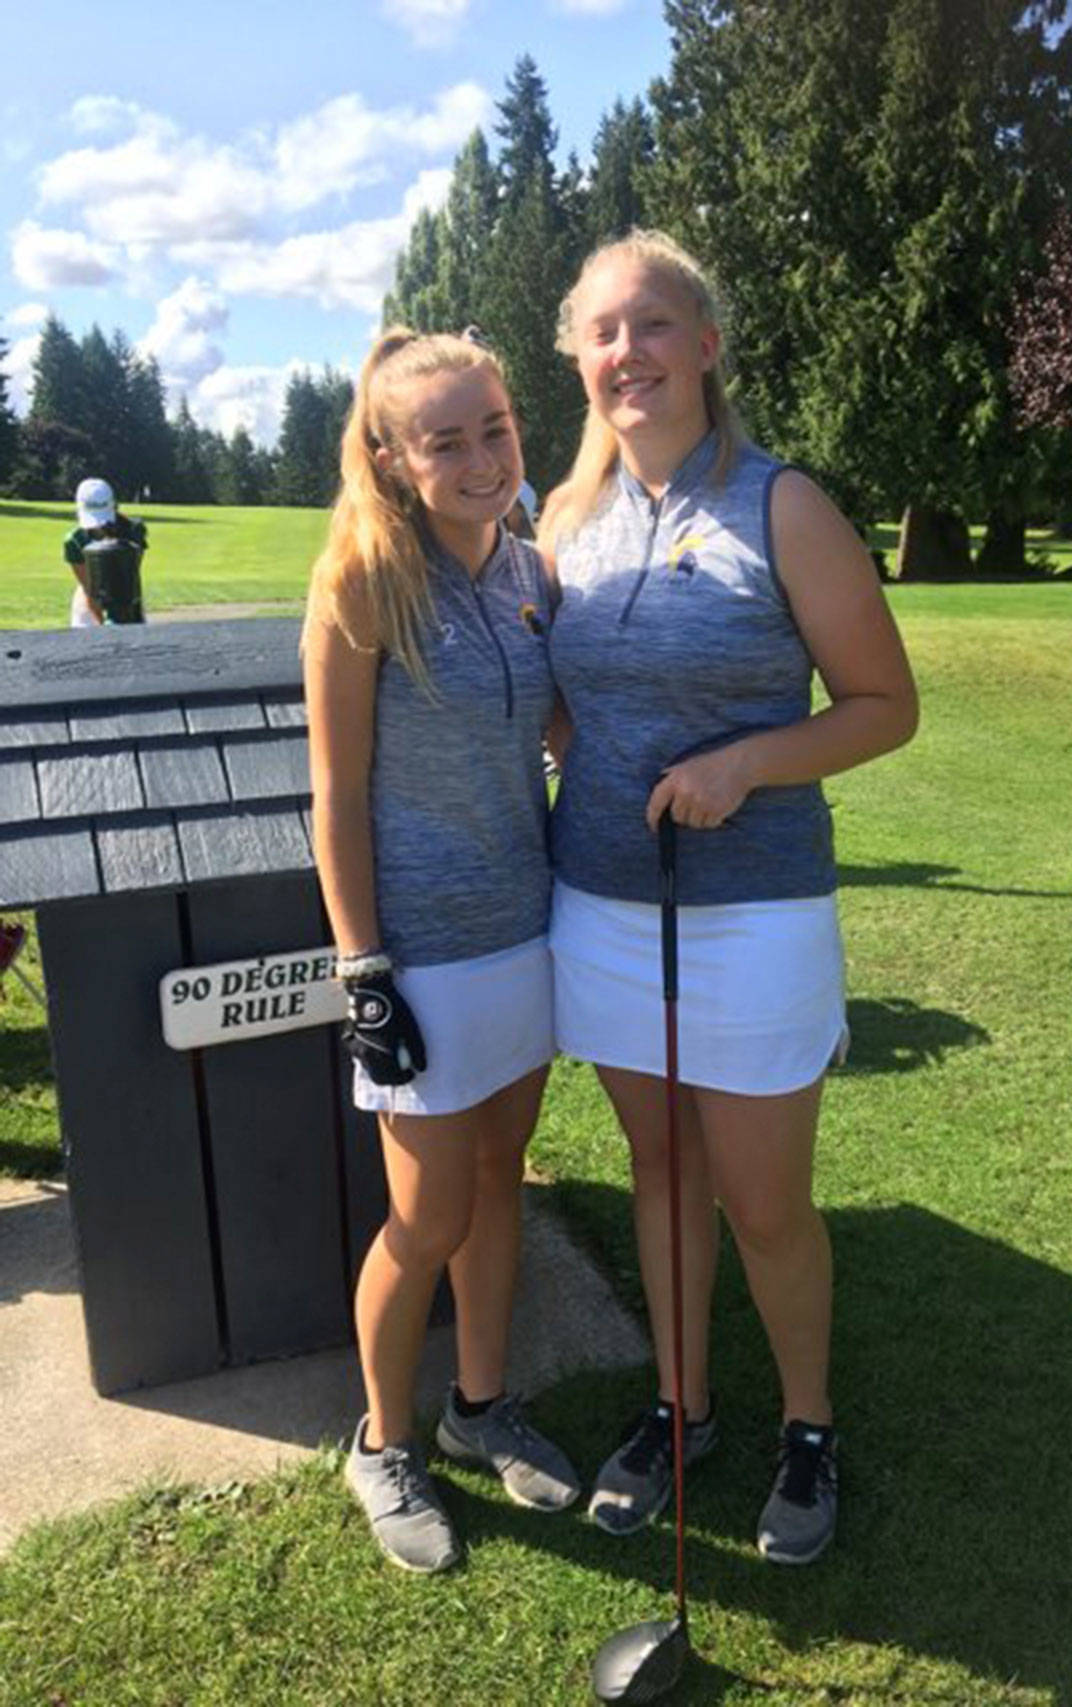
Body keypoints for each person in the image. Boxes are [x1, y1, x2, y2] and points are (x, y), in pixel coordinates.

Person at [540, 230, 919, 1566]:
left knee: (763, 1200)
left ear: (704, 345)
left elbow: (884, 705)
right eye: (602, 332)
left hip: (754, 914)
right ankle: (681, 1405)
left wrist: (746, 761)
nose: (627, 352)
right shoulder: (564, 522)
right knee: (662, 1172)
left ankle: (808, 1425)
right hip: (602, 905)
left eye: (653, 325)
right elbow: (559, 706)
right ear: (578, 361)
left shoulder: (782, 504)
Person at [303, 327, 578, 1575]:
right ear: (390, 458)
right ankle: (383, 1441)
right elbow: (335, 795)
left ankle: (479, 1405)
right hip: (418, 956)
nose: (481, 461)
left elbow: (565, 728)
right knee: (425, 1216)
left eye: (496, 430)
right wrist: (361, 970)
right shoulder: (363, 583)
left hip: (526, 931)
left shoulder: (529, 570)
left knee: (499, 1180)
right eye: (447, 442)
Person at [63, 478, 147, 626]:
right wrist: (102, 625)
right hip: (89, 598)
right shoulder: (74, 540)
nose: (99, 527)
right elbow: (89, 589)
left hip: (127, 592)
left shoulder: (134, 531)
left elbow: (130, 576)